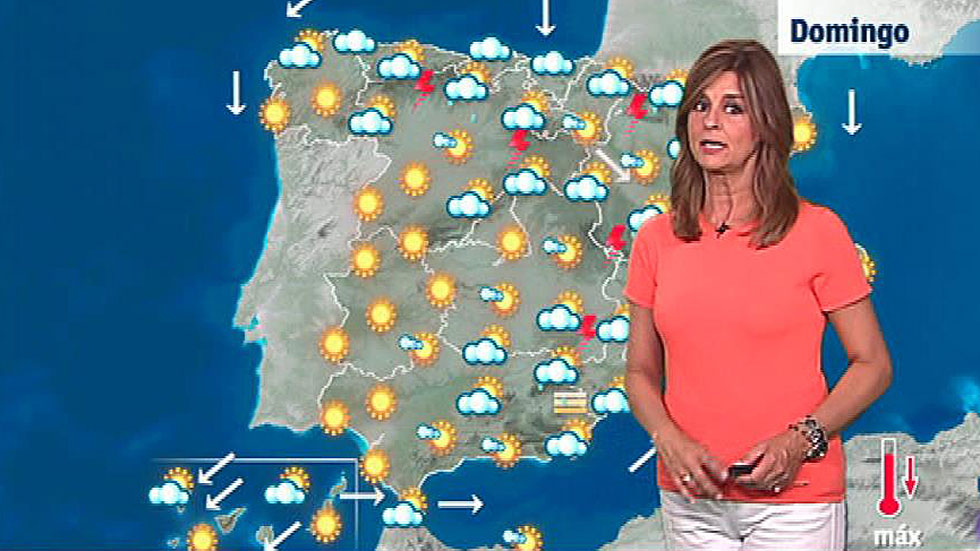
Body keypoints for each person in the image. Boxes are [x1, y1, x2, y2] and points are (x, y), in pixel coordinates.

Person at [623, 39, 892, 550]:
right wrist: (668, 439)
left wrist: (799, 441)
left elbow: (872, 365)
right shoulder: (657, 239)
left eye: (733, 108)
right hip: (691, 502)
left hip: (795, 504)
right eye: (700, 106)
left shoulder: (817, 232)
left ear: (765, 124)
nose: (710, 122)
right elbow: (639, 372)